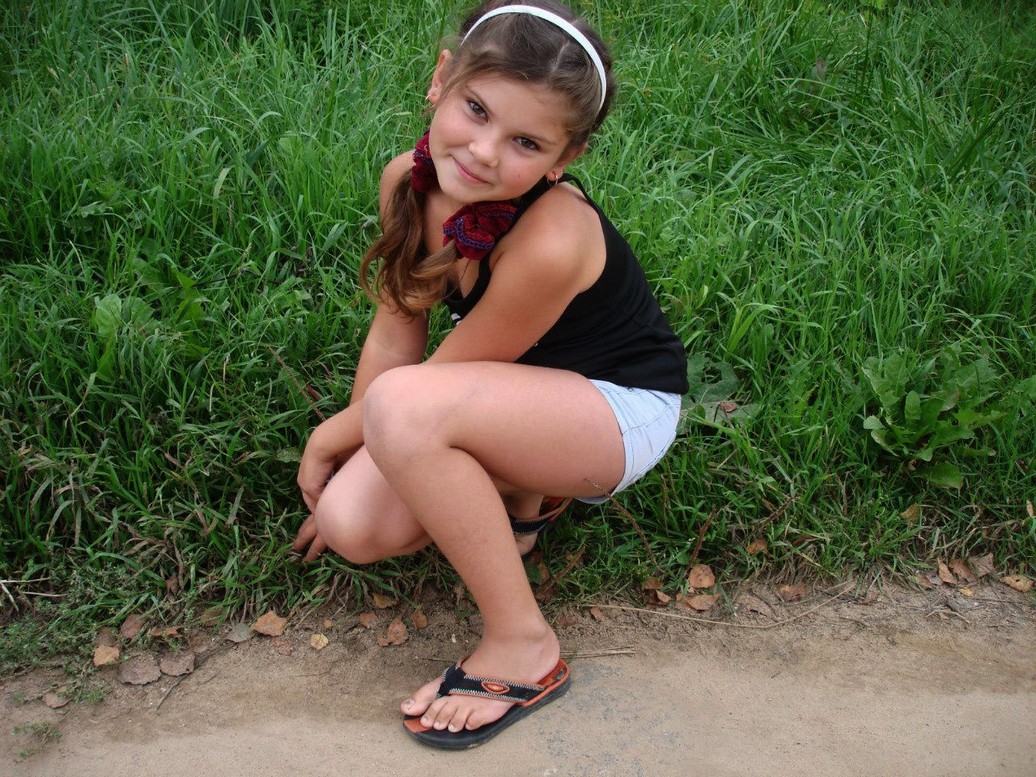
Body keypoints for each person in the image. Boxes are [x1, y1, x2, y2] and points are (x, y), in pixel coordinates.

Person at [291, 0, 689, 749]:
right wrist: (357, 457)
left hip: (614, 410)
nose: (483, 152)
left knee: (404, 413)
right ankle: (523, 491)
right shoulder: (407, 181)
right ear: (441, 78)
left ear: (564, 158)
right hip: (508, 395)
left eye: (526, 142)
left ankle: (522, 645)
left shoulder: (552, 239)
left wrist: (329, 438)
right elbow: (395, 336)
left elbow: (430, 384)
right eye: (476, 109)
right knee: (352, 523)